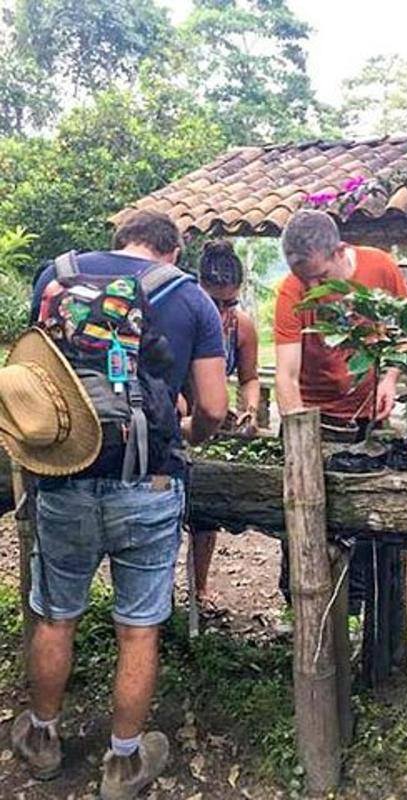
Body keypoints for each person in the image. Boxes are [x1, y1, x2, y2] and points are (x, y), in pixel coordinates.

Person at [13, 211, 228, 799]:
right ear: (173, 249)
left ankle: (43, 740)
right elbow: (212, 406)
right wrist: (187, 436)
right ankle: (123, 762)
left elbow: (34, 378)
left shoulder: (54, 277)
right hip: (149, 484)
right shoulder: (191, 300)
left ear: (119, 244)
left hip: (62, 475)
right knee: (137, 629)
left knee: (56, 614)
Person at [274, 210, 407, 612]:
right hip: (314, 417)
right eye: (304, 279)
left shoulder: (380, 268)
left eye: (319, 277)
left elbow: (402, 334)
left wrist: (388, 380)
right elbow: (285, 375)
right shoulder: (291, 291)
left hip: (367, 418)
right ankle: (299, 607)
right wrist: (301, 438)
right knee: (301, 518)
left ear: (339, 252)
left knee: (365, 516)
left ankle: (361, 609)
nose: (312, 287)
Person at [190, 240, 260, 612]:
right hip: (179, 419)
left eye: (229, 303)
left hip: (214, 424)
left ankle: (199, 589)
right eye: (213, 303)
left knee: (206, 514)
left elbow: (249, 378)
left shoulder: (242, 328)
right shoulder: (181, 316)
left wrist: (248, 408)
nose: (221, 312)